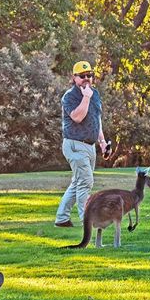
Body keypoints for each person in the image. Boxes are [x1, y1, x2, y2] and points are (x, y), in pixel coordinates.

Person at [54, 60, 107, 227]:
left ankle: (62, 218)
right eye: (82, 76)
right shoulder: (70, 96)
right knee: (86, 181)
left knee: (78, 182)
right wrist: (85, 97)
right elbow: (78, 117)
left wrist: (102, 142)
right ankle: (88, 220)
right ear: (74, 77)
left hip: (90, 146)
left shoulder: (95, 94)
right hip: (74, 145)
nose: (86, 78)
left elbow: (95, 119)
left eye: (89, 75)